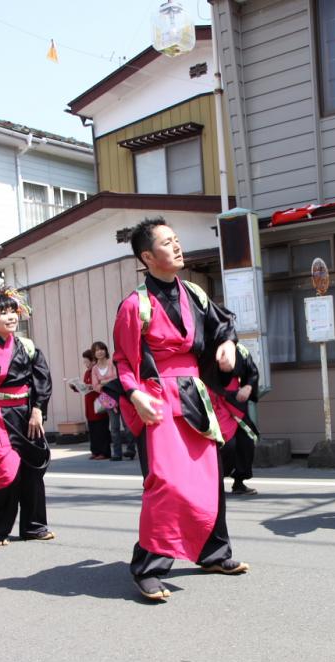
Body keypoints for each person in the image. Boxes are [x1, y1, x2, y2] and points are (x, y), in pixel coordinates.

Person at [113, 216, 249, 601]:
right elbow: (124, 359)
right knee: (166, 484)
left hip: (194, 394)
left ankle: (213, 551)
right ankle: (148, 567)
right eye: (166, 242)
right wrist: (134, 394)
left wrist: (227, 343)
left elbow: (222, 325)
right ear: (147, 256)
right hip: (155, 397)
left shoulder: (194, 293)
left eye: (176, 239)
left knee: (209, 480)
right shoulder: (134, 305)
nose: (176, 246)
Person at [0, 281, 54, 546]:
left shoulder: (27, 345)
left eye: (12, 310)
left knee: (32, 470)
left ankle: (33, 527)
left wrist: (38, 409)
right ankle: (0, 527)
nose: (11, 316)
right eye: (3, 313)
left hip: (27, 413)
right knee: (7, 472)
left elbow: (42, 379)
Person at [206, 342, 260, 495]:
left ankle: (239, 481)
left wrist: (248, 387)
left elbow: (252, 372)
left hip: (236, 402)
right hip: (215, 403)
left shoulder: (240, 350)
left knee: (246, 441)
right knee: (227, 443)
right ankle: (215, 482)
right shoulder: (206, 349)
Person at [91, 341, 136, 461]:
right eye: (97, 350)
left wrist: (104, 383)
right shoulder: (94, 369)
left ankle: (131, 449)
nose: (99, 352)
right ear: (94, 353)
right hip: (107, 399)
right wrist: (106, 384)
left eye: (101, 349)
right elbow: (95, 386)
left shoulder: (112, 363)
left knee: (127, 425)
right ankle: (117, 453)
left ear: (105, 350)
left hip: (121, 396)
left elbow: (118, 378)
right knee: (114, 427)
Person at [70, 349, 111, 460]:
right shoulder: (87, 372)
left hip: (99, 403)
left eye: (86, 362)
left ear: (93, 361)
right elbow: (85, 387)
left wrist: (90, 386)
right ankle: (95, 451)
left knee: (101, 429)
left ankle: (104, 452)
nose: (85, 364)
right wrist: (76, 387)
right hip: (89, 404)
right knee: (92, 429)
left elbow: (102, 384)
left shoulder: (98, 370)